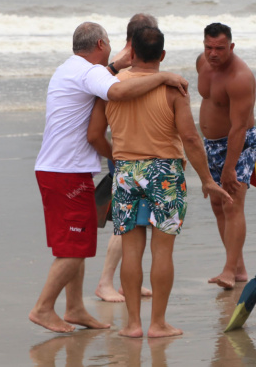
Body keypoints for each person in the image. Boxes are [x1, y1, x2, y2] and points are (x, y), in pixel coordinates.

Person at [30, 21, 189, 334]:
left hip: (60, 168)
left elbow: (111, 76)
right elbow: (116, 90)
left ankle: (75, 308)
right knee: (75, 248)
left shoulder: (71, 67)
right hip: (67, 171)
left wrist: (119, 64)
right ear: (101, 45)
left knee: (78, 243)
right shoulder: (93, 75)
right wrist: (164, 76)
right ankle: (43, 308)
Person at [86, 26, 232, 338]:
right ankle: (158, 324)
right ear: (162, 56)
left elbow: (94, 135)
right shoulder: (172, 89)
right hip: (165, 173)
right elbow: (191, 138)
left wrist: (120, 157)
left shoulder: (110, 86)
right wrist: (207, 180)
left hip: (126, 172)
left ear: (132, 53)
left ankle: (133, 324)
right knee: (162, 251)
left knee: (131, 248)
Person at [95, 13, 158, 303]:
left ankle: (127, 281)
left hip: (131, 151)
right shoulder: (124, 64)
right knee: (125, 223)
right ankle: (106, 282)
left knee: (137, 223)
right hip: (125, 152)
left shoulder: (135, 62)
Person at [196, 22, 256, 289]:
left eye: (220, 48)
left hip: (239, 144)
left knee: (232, 204)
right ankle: (239, 268)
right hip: (210, 145)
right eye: (209, 47)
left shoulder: (241, 78)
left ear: (231, 47)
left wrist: (230, 168)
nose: (213, 53)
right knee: (216, 205)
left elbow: (239, 127)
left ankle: (228, 271)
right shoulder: (202, 63)